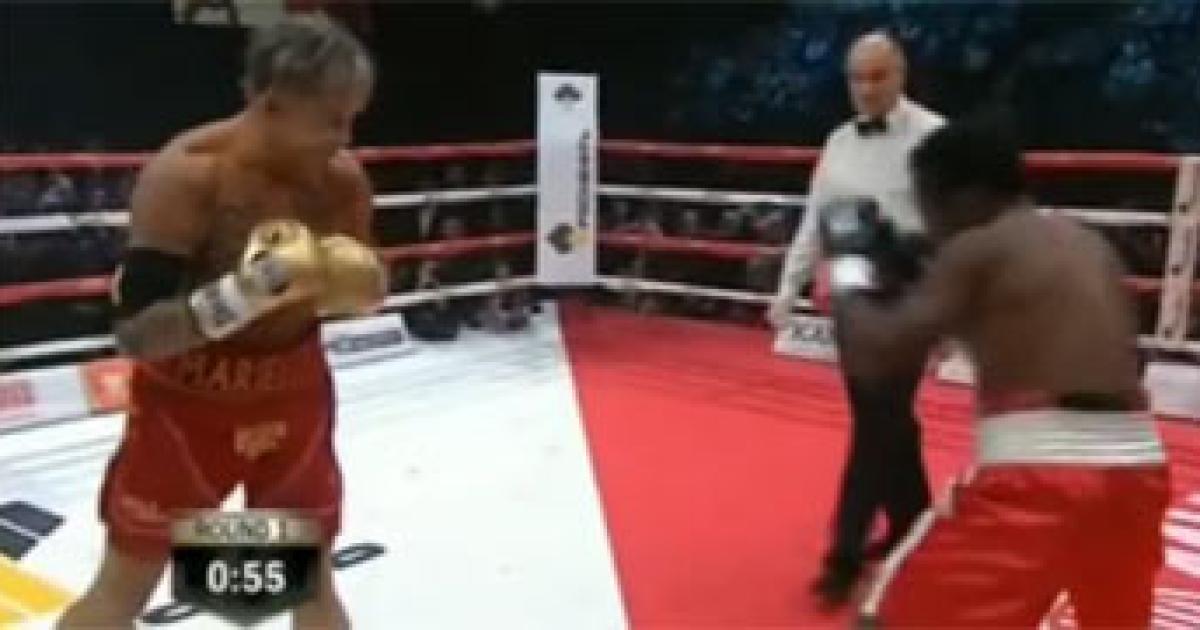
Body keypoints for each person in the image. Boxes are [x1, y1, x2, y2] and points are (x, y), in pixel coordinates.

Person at [56, 14, 383, 630]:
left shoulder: (340, 181)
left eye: (352, 118)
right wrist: (247, 293)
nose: (344, 137)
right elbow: (137, 333)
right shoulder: (188, 176)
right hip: (187, 408)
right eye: (331, 119)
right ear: (273, 104)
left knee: (309, 582)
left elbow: (365, 291)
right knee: (126, 585)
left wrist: (355, 285)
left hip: (292, 395)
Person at [837, 117, 1169, 627]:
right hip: (1140, 471)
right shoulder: (1088, 244)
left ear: (960, 197)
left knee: (888, 618)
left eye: (927, 203)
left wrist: (847, 268)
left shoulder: (978, 246)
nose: (929, 222)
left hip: (1040, 472)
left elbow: (876, 353)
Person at [768, 30, 945, 604]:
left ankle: (843, 556)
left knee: (876, 423)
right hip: (851, 292)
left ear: (901, 75)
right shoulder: (838, 141)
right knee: (885, 420)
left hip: (910, 294)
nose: (867, 89)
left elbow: (956, 227)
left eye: (878, 76)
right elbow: (814, 219)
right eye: (857, 78)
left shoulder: (934, 137)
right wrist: (788, 286)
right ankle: (914, 523)